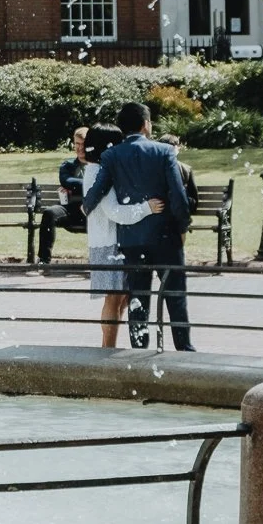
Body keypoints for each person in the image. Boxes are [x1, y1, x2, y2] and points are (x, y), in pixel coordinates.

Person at [83, 101, 192, 352]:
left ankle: (139, 349)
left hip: (131, 241)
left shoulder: (112, 155)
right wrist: (182, 226)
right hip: (166, 237)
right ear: (146, 124)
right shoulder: (164, 151)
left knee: (138, 298)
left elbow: (96, 192)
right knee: (175, 296)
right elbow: (178, 196)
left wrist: (86, 206)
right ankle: (184, 351)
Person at [82, 124, 159, 348]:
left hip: (110, 242)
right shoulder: (97, 171)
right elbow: (113, 210)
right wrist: (147, 208)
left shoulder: (98, 168)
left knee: (121, 299)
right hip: (108, 245)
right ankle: (108, 350)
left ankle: (109, 346)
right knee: (113, 299)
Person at [37, 126, 89, 266]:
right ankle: (43, 260)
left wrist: (75, 187)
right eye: (77, 144)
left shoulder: (97, 165)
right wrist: (90, 185)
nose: (79, 148)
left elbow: (73, 184)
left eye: (83, 144)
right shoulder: (68, 165)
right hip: (71, 210)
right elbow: (66, 181)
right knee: (49, 213)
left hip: (93, 212)